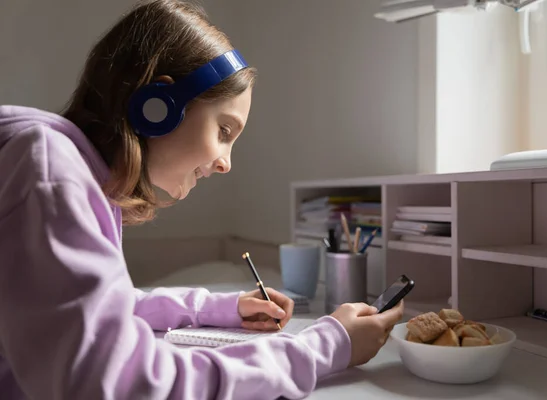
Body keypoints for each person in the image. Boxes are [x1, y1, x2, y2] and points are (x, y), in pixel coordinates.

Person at [0, 1, 405, 399]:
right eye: (225, 130)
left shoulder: (65, 169)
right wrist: (322, 347)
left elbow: (99, 308)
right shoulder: (51, 171)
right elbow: (120, 383)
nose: (226, 163)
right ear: (158, 107)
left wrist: (220, 309)